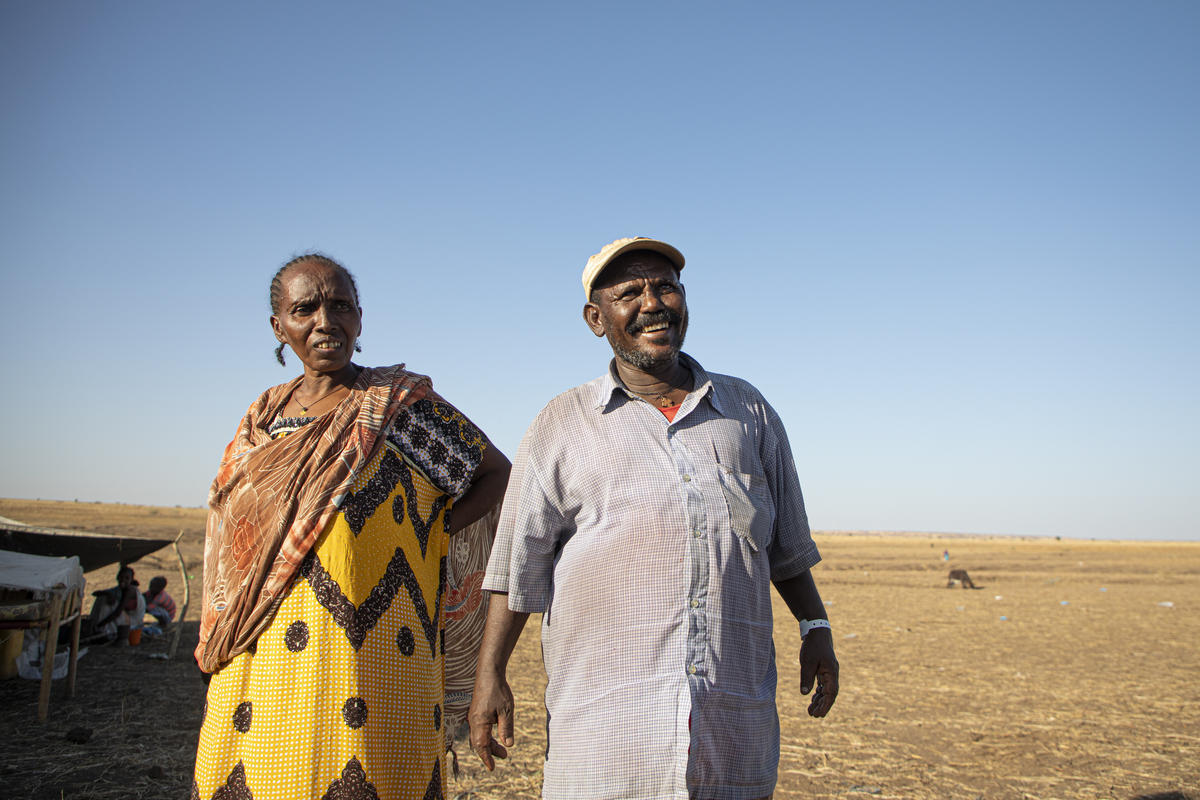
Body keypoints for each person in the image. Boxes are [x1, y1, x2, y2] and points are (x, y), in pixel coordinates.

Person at [469, 237, 839, 800]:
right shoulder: (561, 423)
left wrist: (816, 628)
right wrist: (490, 674)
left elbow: (783, 546)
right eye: (630, 293)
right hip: (607, 734)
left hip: (731, 723)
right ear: (597, 319)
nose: (653, 303)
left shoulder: (748, 412)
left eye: (665, 286)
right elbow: (520, 562)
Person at [192, 253, 511, 800]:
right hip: (260, 652)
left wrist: (428, 529)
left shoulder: (396, 408)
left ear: (359, 318)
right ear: (279, 326)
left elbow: (495, 473)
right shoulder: (261, 419)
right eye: (305, 308)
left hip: (376, 652)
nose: (324, 321)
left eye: (340, 306)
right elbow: (232, 537)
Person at [85, 565, 145, 645]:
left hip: (134, 621)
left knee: (105, 602)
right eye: (121, 577)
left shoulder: (130, 591)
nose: (123, 580)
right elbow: (95, 593)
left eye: (127, 578)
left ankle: (100, 630)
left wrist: (100, 624)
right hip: (126, 617)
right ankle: (97, 628)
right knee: (102, 598)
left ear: (131, 580)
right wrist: (108, 594)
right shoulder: (119, 589)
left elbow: (117, 612)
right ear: (117, 577)